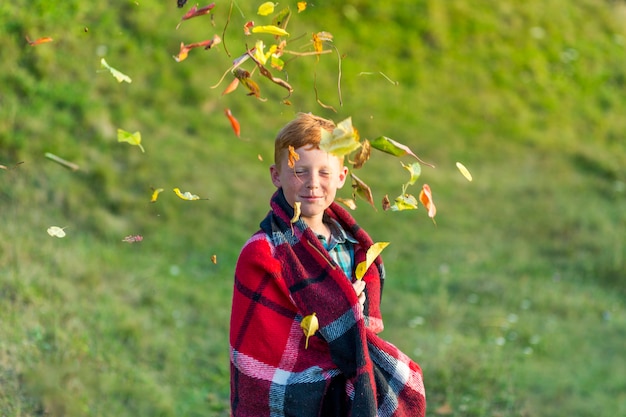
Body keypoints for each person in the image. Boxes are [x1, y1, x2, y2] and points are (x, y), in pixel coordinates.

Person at [229, 113, 426, 417]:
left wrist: (353, 307)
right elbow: (263, 342)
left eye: (324, 172)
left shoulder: (351, 245)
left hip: (346, 380)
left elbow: (358, 325)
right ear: (276, 175)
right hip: (293, 385)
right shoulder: (262, 252)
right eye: (300, 171)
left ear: (342, 177)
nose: (312, 183)